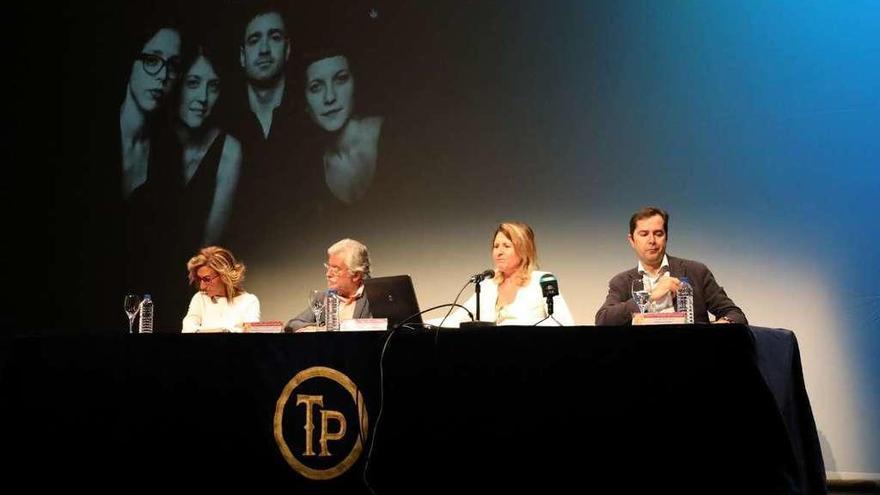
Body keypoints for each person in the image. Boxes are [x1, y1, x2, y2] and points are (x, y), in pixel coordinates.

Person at [595, 206, 748, 326]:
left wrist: (717, 328)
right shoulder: (622, 282)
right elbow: (603, 320)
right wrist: (649, 296)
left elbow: (736, 315)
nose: (652, 240)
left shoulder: (696, 272)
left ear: (666, 237)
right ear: (632, 240)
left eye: (658, 233)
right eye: (644, 234)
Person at [174, 42, 243, 246]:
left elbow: (209, 246)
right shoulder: (156, 139)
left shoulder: (229, 150)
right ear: (178, 85)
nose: (203, 98)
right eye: (193, 83)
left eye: (213, 87)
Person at [445, 222, 575, 327]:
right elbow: (455, 320)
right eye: (496, 246)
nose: (499, 252)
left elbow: (564, 323)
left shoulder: (542, 280)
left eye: (506, 246)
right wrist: (425, 325)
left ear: (523, 250)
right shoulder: (487, 285)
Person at [303, 48, 384, 205]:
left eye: (341, 79)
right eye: (315, 87)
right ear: (305, 102)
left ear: (356, 84)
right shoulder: (309, 170)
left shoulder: (400, 134)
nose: (330, 97)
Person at [285, 238, 372, 332]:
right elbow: (292, 324)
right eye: (328, 267)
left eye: (335, 269)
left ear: (356, 275)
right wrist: (317, 329)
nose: (328, 274)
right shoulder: (322, 298)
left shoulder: (375, 298)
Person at [182, 246, 260, 333]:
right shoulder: (200, 298)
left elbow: (251, 333)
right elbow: (188, 328)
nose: (202, 286)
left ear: (225, 276)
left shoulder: (249, 301)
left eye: (207, 279)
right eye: (200, 279)